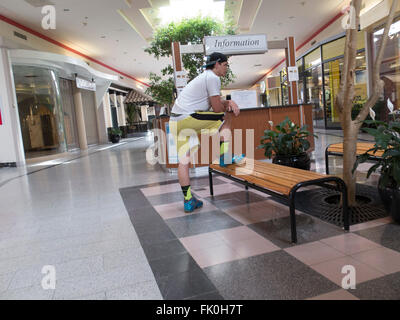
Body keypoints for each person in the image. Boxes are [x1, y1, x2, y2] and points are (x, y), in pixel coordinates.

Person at [169, 52, 245, 213]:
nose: (226, 69)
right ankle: (225, 157)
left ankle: (188, 200)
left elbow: (213, 104)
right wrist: (230, 104)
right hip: (187, 117)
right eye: (225, 65)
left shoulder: (204, 77)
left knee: (184, 160)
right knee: (226, 117)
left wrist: (227, 101)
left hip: (175, 121)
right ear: (217, 64)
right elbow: (217, 109)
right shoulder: (212, 77)